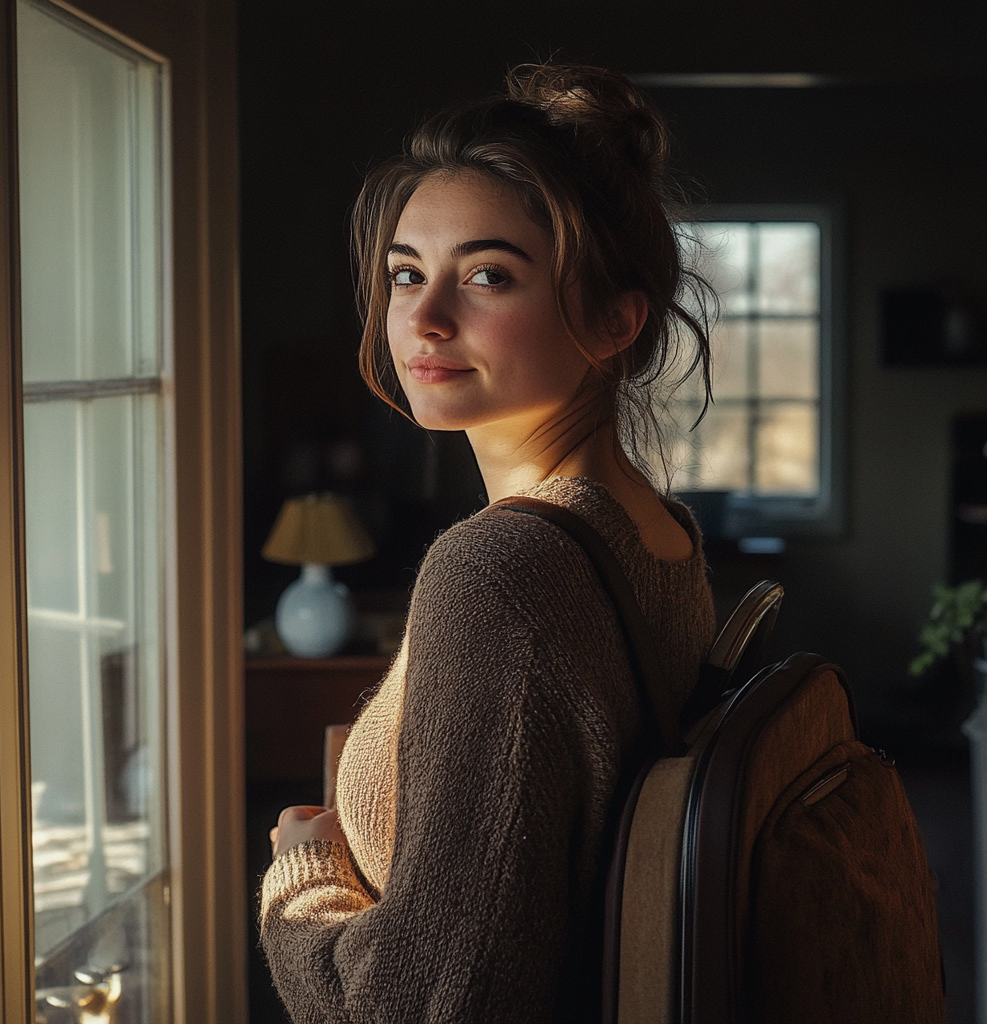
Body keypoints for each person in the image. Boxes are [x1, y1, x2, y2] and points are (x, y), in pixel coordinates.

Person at [261, 63, 717, 1024]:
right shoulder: (656, 532)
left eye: (487, 275)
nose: (423, 318)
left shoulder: (500, 571)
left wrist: (301, 879)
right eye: (405, 273)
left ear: (610, 318)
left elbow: (430, 1004)